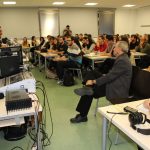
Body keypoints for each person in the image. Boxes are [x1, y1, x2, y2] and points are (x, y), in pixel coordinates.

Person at [70, 41, 132, 123]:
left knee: (90, 91)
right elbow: (112, 75)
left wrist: (94, 81)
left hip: (116, 87)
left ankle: (83, 115)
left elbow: (110, 76)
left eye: (115, 47)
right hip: (113, 82)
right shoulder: (122, 58)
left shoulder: (123, 60)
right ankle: (87, 88)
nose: (113, 49)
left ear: (119, 49)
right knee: (92, 73)